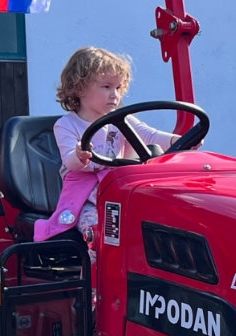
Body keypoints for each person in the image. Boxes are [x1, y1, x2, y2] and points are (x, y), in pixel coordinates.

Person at [36, 47, 176, 243]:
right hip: (86, 199)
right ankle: (98, 270)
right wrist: (79, 155)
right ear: (80, 88)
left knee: (160, 220)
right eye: (107, 87)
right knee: (100, 231)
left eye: (118, 88)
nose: (115, 95)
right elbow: (70, 161)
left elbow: (149, 135)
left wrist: (174, 140)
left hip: (119, 190)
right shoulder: (67, 125)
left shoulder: (121, 119)